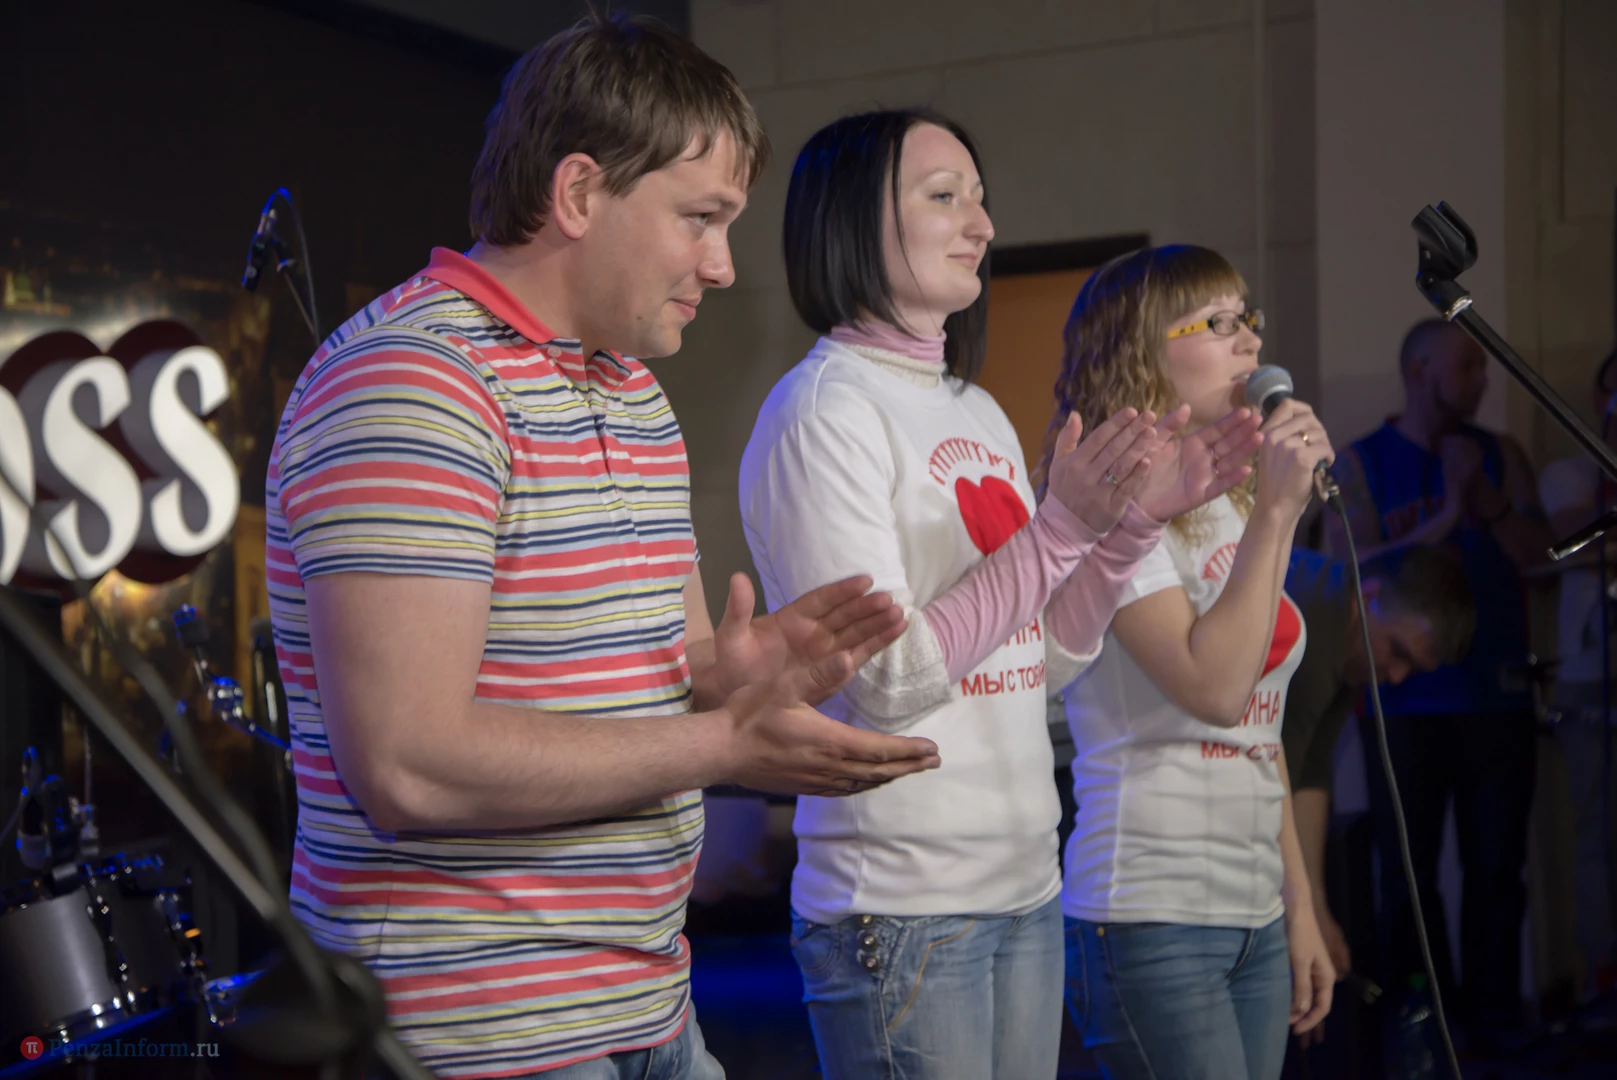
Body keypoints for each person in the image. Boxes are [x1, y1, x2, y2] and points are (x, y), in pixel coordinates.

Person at [265, 16, 944, 1079]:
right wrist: (725, 745)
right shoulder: (414, 384)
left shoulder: (630, 390)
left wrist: (736, 675)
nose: (723, 265)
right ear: (579, 193)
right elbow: (410, 764)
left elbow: (648, 683)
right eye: (700, 218)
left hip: (645, 1003)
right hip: (474, 1033)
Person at [738, 112, 1262, 1079]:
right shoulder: (823, 411)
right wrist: (1060, 530)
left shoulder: (973, 408)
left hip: (1023, 883)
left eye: (979, 199)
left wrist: (1129, 525)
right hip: (902, 900)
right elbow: (887, 683)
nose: (980, 224)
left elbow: (1039, 660)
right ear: (851, 221)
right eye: (943, 197)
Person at [1051, 244, 1337, 1080]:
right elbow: (1213, 690)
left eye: (1248, 318)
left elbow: (1260, 731)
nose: (1250, 341)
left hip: (1251, 907)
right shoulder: (1111, 506)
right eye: (1217, 323)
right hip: (1150, 908)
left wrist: (1299, 905)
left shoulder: (1237, 504)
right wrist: (1279, 514)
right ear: (1142, 350)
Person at [1326, 318, 1552, 1036]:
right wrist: (1448, 514)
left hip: (1496, 695)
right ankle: (1423, 1024)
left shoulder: (1501, 455)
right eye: (1466, 366)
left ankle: (1494, 1021)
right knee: (1406, 874)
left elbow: (1544, 563)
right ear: (1419, 370)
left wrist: (1484, 501)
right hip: (1401, 701)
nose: (1481, 380)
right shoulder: (1358, 464)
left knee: (1496, 867)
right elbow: (1347, 569)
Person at [1280, 545, 1477, 1019]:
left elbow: (1310, 775)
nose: (1395, 676)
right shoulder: (1313, 628)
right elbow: (1271, 781)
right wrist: (1299, 918)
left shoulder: (1347, 641)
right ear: (1368, 596)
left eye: (1411, 668)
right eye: (1397, 651)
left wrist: (1317, 911)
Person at [1538, 347, 1617, 1001]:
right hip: (1588, 674)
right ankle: (1602, 974)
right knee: (1595, 830)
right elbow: (1579, 539)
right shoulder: (1569, 474)